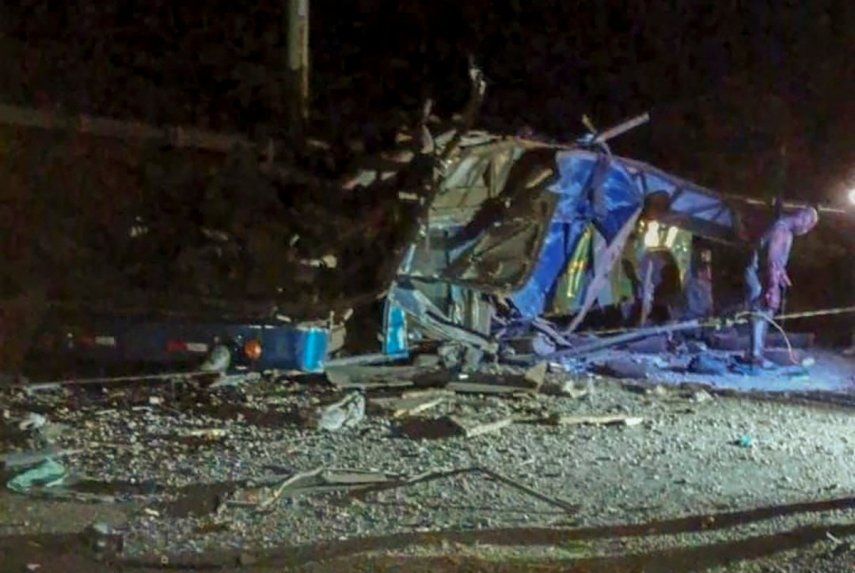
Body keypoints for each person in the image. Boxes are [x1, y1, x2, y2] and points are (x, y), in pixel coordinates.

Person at [744, 207, 819, 365]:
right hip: (759, 276)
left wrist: (783, 276)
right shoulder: (781, 229)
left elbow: (776, 260)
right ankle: (755, 355)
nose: (805, 231)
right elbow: (772, 260)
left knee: (765, 313)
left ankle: (757, 352)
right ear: (803, 219)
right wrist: (773, 288)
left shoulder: (784, 229)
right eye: (808, 227)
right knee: (761, 312)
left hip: (762, 273)